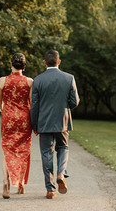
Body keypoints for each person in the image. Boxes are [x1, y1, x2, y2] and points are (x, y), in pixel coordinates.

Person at [31, 49, 80, 199]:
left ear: (45, 62)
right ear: (59, 62)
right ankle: (61, 173)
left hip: (44, 123)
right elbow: (75, 102)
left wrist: (34, 125)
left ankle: (50, 189)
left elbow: (34, 106)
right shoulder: (69, 78)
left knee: (46, 153)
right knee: (63, 147)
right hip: (62, 122)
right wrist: (63, 108)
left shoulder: (38, 80)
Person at [0, 53, 33, 199]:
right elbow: (31, 102)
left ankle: (6, 182)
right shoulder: (30, 82)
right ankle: (21, 183)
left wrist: (4, 110)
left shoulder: (2, 81)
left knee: (7, 149)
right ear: (24, 66)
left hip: (8, 118)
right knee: (23, 150)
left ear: (10, 64)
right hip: (24, 119)